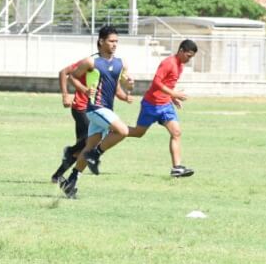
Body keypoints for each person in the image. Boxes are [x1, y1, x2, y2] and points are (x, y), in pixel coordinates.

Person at [59, 27, 133, 198]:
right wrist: (84, 90)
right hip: (95, 108)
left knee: (89, 146)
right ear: (101, 41)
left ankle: (70, 181)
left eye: (116, 41)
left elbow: (122, 84)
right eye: (111, 41)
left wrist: (129, 85)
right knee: (123, 131)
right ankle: (95, 155)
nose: (115, 44)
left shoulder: (121, 63)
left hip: (107, 109)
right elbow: (72, 77)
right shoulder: (91, 62)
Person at [128, 40, 198, 178]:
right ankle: (116, 129)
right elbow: (156, 82)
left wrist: (172, 98)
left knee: (176, 132)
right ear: (181, 51)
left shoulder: (180, 66)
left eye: (191, 57)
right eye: (188, 56)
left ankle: (177, 168)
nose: (189, 59)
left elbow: (168, 84)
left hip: (165, 105)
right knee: (138, 133)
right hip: (151, 105)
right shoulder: (168, 63)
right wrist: (174, 94)